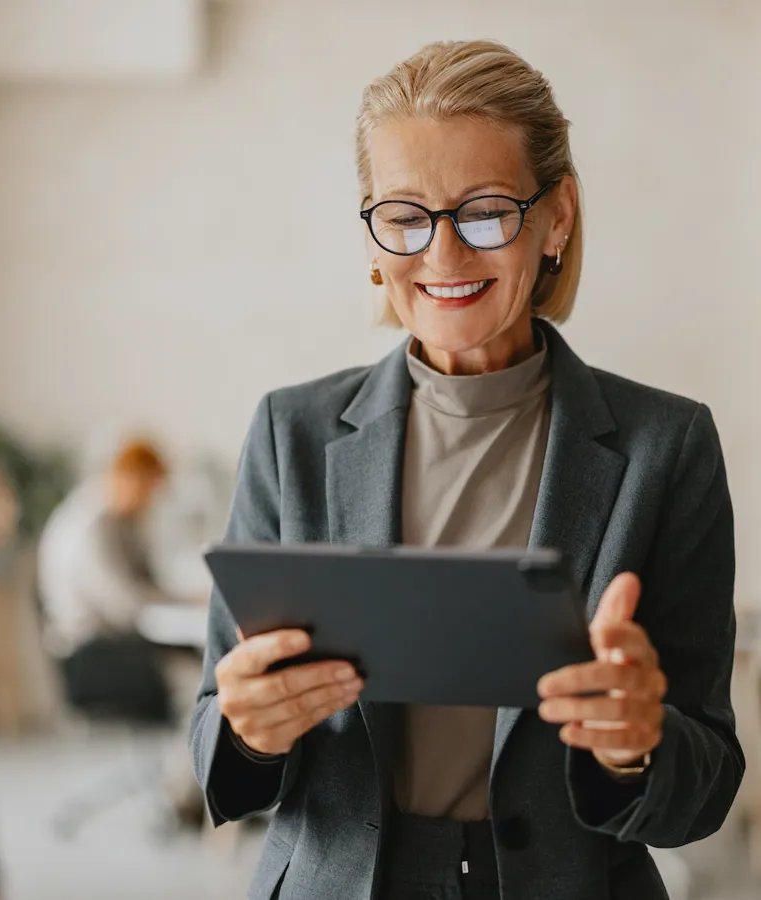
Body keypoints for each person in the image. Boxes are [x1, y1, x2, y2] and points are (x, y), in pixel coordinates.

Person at [189, 40, 744, 900]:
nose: (443, 257)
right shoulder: (289, 433)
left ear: (556, 216)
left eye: (485, 211)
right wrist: (248, 732)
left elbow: (703, 781)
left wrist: (636, 746)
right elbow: (211, 735)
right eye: (406, 216)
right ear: (371, 229)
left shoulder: (663, 448)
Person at [38, 438, 173, 723]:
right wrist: (180, 604)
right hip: (93, 654)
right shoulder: (92, 525)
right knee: (191, 671)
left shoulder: (118, 522)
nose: (151, 501)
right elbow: (125, 604)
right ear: (132, 477)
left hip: (111, 643)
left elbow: (144, 588)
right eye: (150, 488)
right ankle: (187, 761)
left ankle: (183, 760)